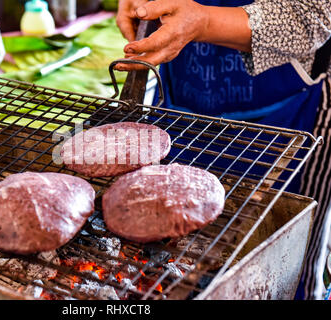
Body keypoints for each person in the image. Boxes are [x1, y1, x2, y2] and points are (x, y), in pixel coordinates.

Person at [115, 0, 331, 300]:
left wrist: (202, 22)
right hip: (185, 101)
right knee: (172, 252)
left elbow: (315, 16)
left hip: (288, 113)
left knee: (282, 267)